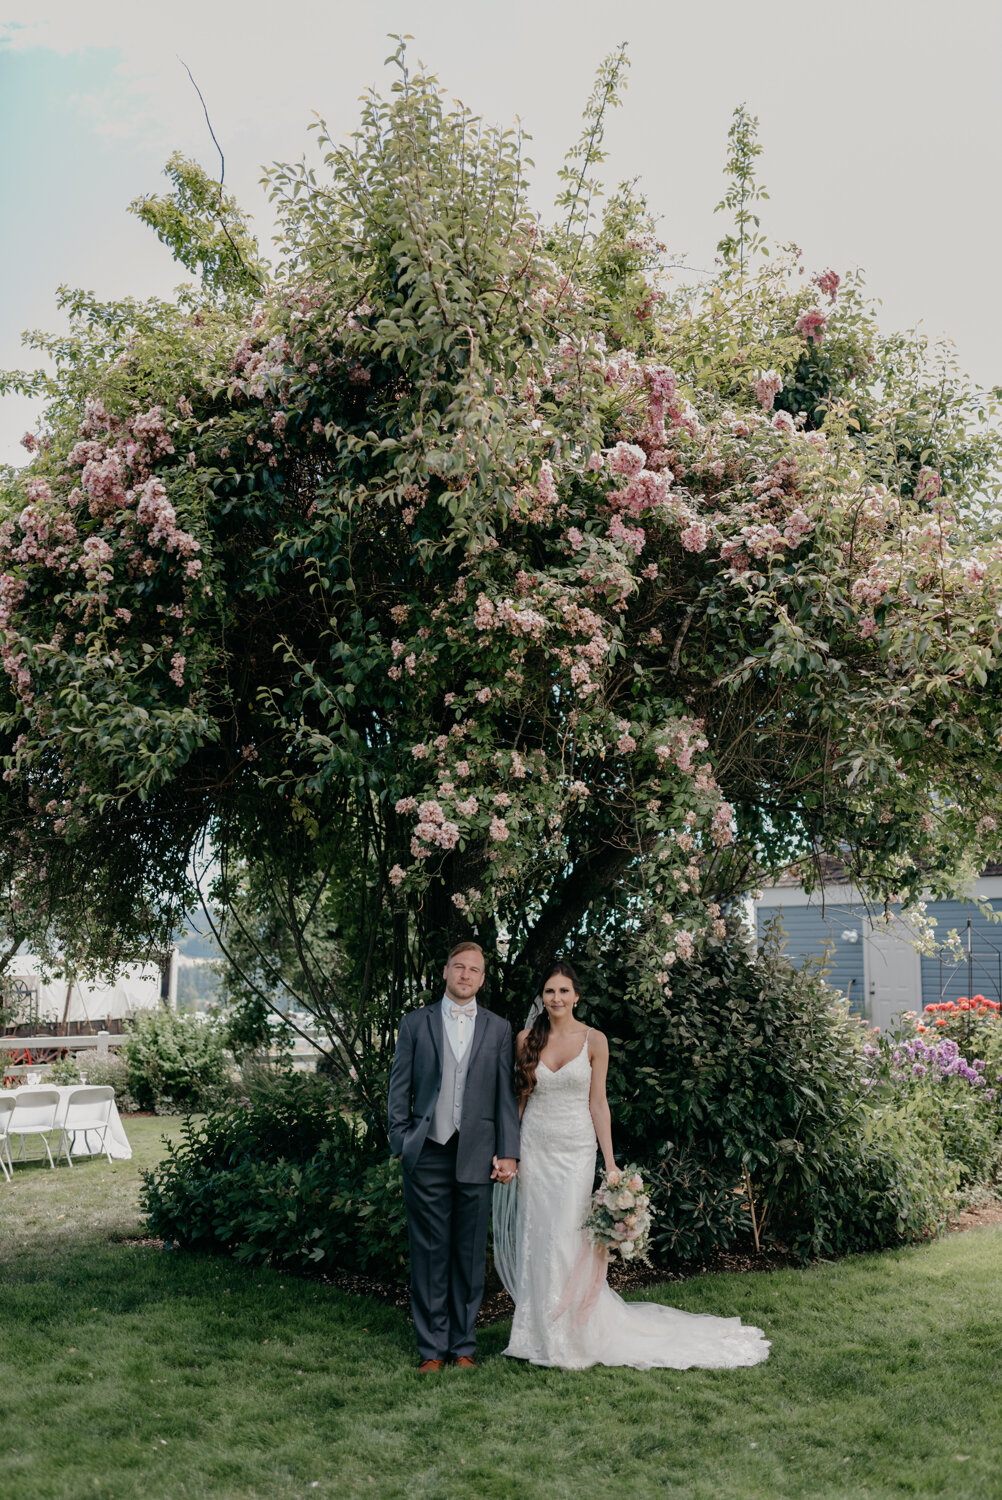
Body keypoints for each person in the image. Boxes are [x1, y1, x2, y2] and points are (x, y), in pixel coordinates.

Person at [502, 961, 770, 1371]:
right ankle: (534, 1332)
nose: (556, 998)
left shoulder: (594, 1040)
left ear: (577, 996)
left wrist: (610, 1164)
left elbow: (598, 1103)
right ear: (542, 996)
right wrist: (512, 1151)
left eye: (563, 991)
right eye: (549, 991)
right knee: (537, 1234)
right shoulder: (526, 1039)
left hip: (575, 1151)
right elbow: (520, 1100)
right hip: (535, 1148)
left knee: (566, 1236)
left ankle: (573, 1331)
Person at [388, 941, 520, 1372]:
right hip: (427, 1151)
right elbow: (399, 1088)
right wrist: (402, 1141)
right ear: (445, 972)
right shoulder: (415, 1024)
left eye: (474, 969)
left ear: (483, 979)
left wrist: (509, 1153)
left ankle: (463, 1345)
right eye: (458, 966)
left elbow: (505, 1097)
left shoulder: (499, 1030)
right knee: (428, 1252)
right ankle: (431, 1349)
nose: (465, 975)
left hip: (478, 1155)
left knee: (467, 1252)